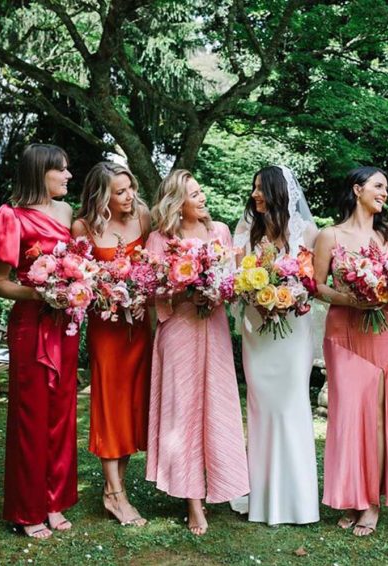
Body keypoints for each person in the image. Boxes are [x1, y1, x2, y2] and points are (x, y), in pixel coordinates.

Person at [0, 143, 78, 539]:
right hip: (32, 325)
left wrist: (74, 288)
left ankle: (54, 501)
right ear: (41, 172)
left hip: (66, 324)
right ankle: (27, 508)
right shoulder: (10, 217)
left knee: (62, 412)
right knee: (31, 416)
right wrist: (41, 294)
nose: (69, 176)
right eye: (62, 170)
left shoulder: (68, 213)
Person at [144, 169, 249, 536]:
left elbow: (232, 282)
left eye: (202, 190)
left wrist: (216, 291)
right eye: (194, 194)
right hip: (180, 329)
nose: (202, 198)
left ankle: (220, 483)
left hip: (215, 327)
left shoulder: (219, 231)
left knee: (217, 408)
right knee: (183, 410)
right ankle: (192, 501)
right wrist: (185, 290)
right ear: (177, 202)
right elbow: (153, 288)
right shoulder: (160, 238)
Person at [312, 165, 388, 537]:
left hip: (383, 331)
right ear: (358, 189)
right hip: (343, 331)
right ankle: (350, 496)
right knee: (347, 414)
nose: (385, 193)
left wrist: (381, 292)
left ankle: (370, 503)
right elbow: (317, 285)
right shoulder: (329, 235)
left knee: (377, 416)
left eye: (386, 187)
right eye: (379, 186)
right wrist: (350, 297)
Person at [231, 165, 320, 525]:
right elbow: (235, 281)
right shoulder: (246, 233)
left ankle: (298, 501)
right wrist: (255, 294)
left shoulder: (308, 233)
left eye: (261, 189)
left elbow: (311, 282)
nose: (255, 195)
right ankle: (263, 497)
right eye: (253, 188)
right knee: (261, 408)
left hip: (293, 332)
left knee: (292, 405)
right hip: (258, 331)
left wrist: (289, 295)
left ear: (279, 192)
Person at [71, 161, 152, 527]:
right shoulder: (83, 227)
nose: (129, 196)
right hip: (107, 328)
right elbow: (78, 279)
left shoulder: (145, 218)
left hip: (140, 326)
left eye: (130, 187)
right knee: (110, 403)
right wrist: (105, 289)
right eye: (120, 192)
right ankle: (115, 494)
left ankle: (116, 487)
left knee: (134, 405)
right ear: (102, 195)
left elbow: (154, 265)